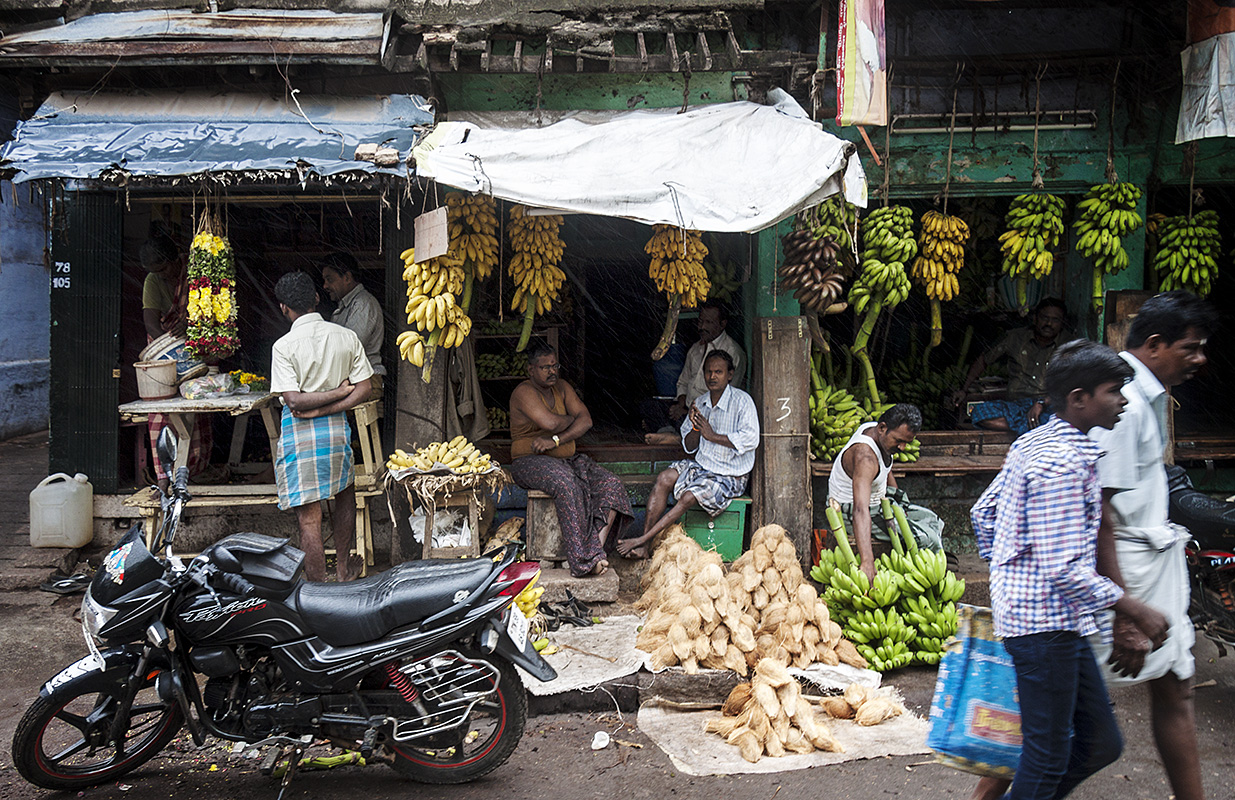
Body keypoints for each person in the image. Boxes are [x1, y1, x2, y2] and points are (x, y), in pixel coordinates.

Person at [969, 339, 1169, 800]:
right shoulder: (1061, 463)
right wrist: (1134, 607)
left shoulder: (1039, 441)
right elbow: (1061, 567)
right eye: (1113, 391)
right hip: (1044, 625)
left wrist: (1009, 573)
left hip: (1055, 620)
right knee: (1047, 754)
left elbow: (984, 513)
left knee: (1100, 743)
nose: (1122, 401)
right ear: (1079, 399)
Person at [1089, 291, 1215, 800]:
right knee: (1057, 705)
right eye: (1192, 348)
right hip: (1123, 575)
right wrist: (1123, 610)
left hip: (1146, 571)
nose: (1200, 360)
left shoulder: (1145, 394)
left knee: (1176, 685)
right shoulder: (1123, 400)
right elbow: (1096, 509)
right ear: (1156, 344)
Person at [270, 271, 373, 583]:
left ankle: (317, 588)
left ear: (284, 308)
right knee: (344, 496)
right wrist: (338, 397)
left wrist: (320, 406)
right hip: (337, 430)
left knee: (309, 519)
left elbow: (295, 402)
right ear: (316, 298)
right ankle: (342, 571)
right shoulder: (345, 337)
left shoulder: (283, 346)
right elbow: (364, 388)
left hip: (300, 433)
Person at [508, 344, 633, 577]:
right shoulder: (523, 392)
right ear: (530, 370)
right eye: (545, 367)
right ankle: (582, 561)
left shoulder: (563, 388)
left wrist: (556, 440)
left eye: (554, 365)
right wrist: (570, 419)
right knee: (566, 482)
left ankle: (595, 550)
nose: (551, 371)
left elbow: (586, 422)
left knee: (611, 485)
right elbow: (550, 422)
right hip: (529, 462)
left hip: (568, 459)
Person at [620, 350, 759, 559]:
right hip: (704, 467)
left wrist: (713, 436)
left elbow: (751, 440)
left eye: (718, 372)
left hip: (730, 475)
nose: (712, 377)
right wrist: (696, 429)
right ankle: (645, 546)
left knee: (688, 496)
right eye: (709, 372)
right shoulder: (700, 402)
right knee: (664, 478)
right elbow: (689, 446)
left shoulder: (742, 402)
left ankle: (642, 540)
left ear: (729, 375)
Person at [827, 404, 943, 584]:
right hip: (852, 512)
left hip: (880, 504)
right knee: (926, 538)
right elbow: (860, 509)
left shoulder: (875, 431)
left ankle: (930, 563)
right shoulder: (865, 457)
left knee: (932, 519)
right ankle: (929, 577)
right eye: (899, 441)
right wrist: (867, 561)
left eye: (907, 442)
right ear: (882, 428)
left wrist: (897, 500)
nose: (903, 447)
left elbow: (885, 469)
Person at [950, 297, 1067, 435]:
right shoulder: (1015, 338)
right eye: (1044, 318)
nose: (1048, 323)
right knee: (979, 412)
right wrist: (964, 389)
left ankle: (1029, 425)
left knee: (1059, 420)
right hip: (1016, 405)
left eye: (1055, 320)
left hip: (1047, 406)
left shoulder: (1069, 346)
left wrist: (1042, 403)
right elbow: (984, 360)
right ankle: (1030, 427)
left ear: (1062, 323)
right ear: (1035, 318)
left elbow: (1072, 385)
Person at [644, 302, 746, 438]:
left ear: (722, 324)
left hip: (707, 415)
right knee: (650, 406)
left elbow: (727, 398)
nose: (702, 327)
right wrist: (681, 406)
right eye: (701, 321)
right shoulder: (695, 349)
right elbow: (683, 382)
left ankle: (669, 434)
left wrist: (689, 412)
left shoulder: (733, 352)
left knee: (689, 423)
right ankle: (669, 433)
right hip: (685, 408)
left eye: (709, 322)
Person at [321, 252, 385, 396]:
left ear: (347, 277)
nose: (325, 286)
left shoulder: (363, 303)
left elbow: (349, 348)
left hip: (365, 381)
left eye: (329, 279)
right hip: (352, 381)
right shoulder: (345, 306)